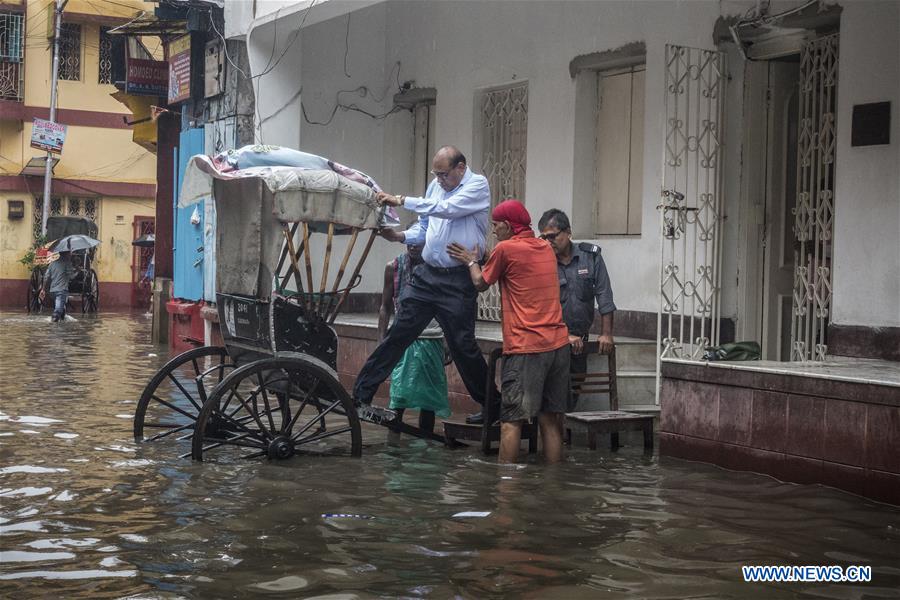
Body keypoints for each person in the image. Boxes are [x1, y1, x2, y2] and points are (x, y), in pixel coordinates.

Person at [354, 145, 495, 425]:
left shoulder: (477, 185)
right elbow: (426, 225)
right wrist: (400, 237)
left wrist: (401, 200)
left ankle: (493, 405)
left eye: (444, 175)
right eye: (437, 174)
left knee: (463, 347)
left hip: (457, 280)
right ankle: (361, 393)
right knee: (399, 334)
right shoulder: (435, 186)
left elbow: (447, 210)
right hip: (428, 276)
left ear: (461, 168)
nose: (440, 180)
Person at [447, 200, 570, 464]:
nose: (493, 230)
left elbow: (481, 283)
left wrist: (471, 261)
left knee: (511, 422)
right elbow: (516, 262)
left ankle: (505, 492)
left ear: (506, 225)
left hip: (527, 347)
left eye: (495, 225)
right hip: (558, 346)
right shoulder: (545, 248)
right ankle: (555, 485)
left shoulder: (505, 249)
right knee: (550, 420)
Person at [537, 209, 616, 412]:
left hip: (580, 341)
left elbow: (604, 295)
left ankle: (564, 434)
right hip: (551, 341)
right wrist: (565, 335)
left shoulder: (590, 257)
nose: (548, 242)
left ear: (568, 232)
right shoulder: (542, 262)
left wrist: (606, 334)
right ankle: (556, 434)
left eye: (553, 236)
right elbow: (541, 306)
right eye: (544, 237)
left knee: (575, 389)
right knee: (552, 395)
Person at [378, 243, 451, 434]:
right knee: (398, 397)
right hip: (403, 338)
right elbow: (385, 306)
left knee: (429, 400)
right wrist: (382, 341)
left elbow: (447, 307)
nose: (413, 246)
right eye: (410, 242)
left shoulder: (439, 267)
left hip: (432, 337)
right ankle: (393, 447)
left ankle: (426, 445)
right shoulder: (393, 267)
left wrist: (449, 341)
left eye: (418, 242)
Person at [40, 251, 74, 323]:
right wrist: (76, 270)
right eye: (70, 253)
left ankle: (61, 320)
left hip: (52, 291)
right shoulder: (67, 263)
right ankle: (54, 326)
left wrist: (43, 289)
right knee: (58, 310)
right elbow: (71, 276)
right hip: (61, 291)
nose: (71, 254)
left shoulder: (52, 263)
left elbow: (46, 277)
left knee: (61, 307)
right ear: (66, 254)